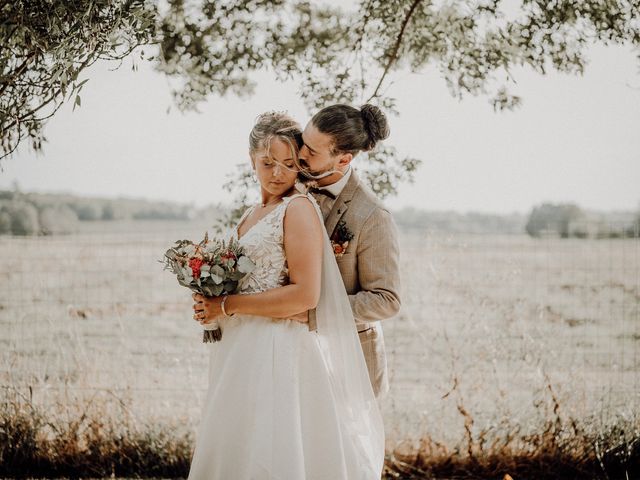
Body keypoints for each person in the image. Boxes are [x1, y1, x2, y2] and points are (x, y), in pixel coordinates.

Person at [188, 111, 384, 480]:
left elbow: (306, 295)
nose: (278, 173)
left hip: (279, 350)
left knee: (275, 448)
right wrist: (210, 299)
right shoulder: (253, 213)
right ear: (251, 160)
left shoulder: (297, 208)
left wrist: (227, 305)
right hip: (243, 347)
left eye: (290, 164)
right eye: (267, 163)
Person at [295, 103, 402, 398]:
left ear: (342, 161)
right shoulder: (290, 183)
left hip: (350, 362)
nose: (301, 154)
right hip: (291, 353)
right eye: (303, 142)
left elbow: (386, 300)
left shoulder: (373, 217)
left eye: (313, 152)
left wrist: (312, 313)